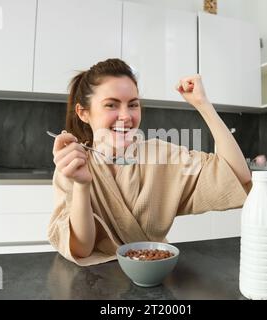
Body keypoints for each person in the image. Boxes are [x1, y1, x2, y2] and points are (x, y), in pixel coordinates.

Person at [49, 58, 252, 266]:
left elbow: (237, 175)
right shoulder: (72, 166)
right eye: (111, 105)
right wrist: (82, 185)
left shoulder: (162, 155)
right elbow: (81, 249)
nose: (126, 116)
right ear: (83, 113)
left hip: (154, 273)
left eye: (133, 105)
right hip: (95, 281)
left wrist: (203, 105)